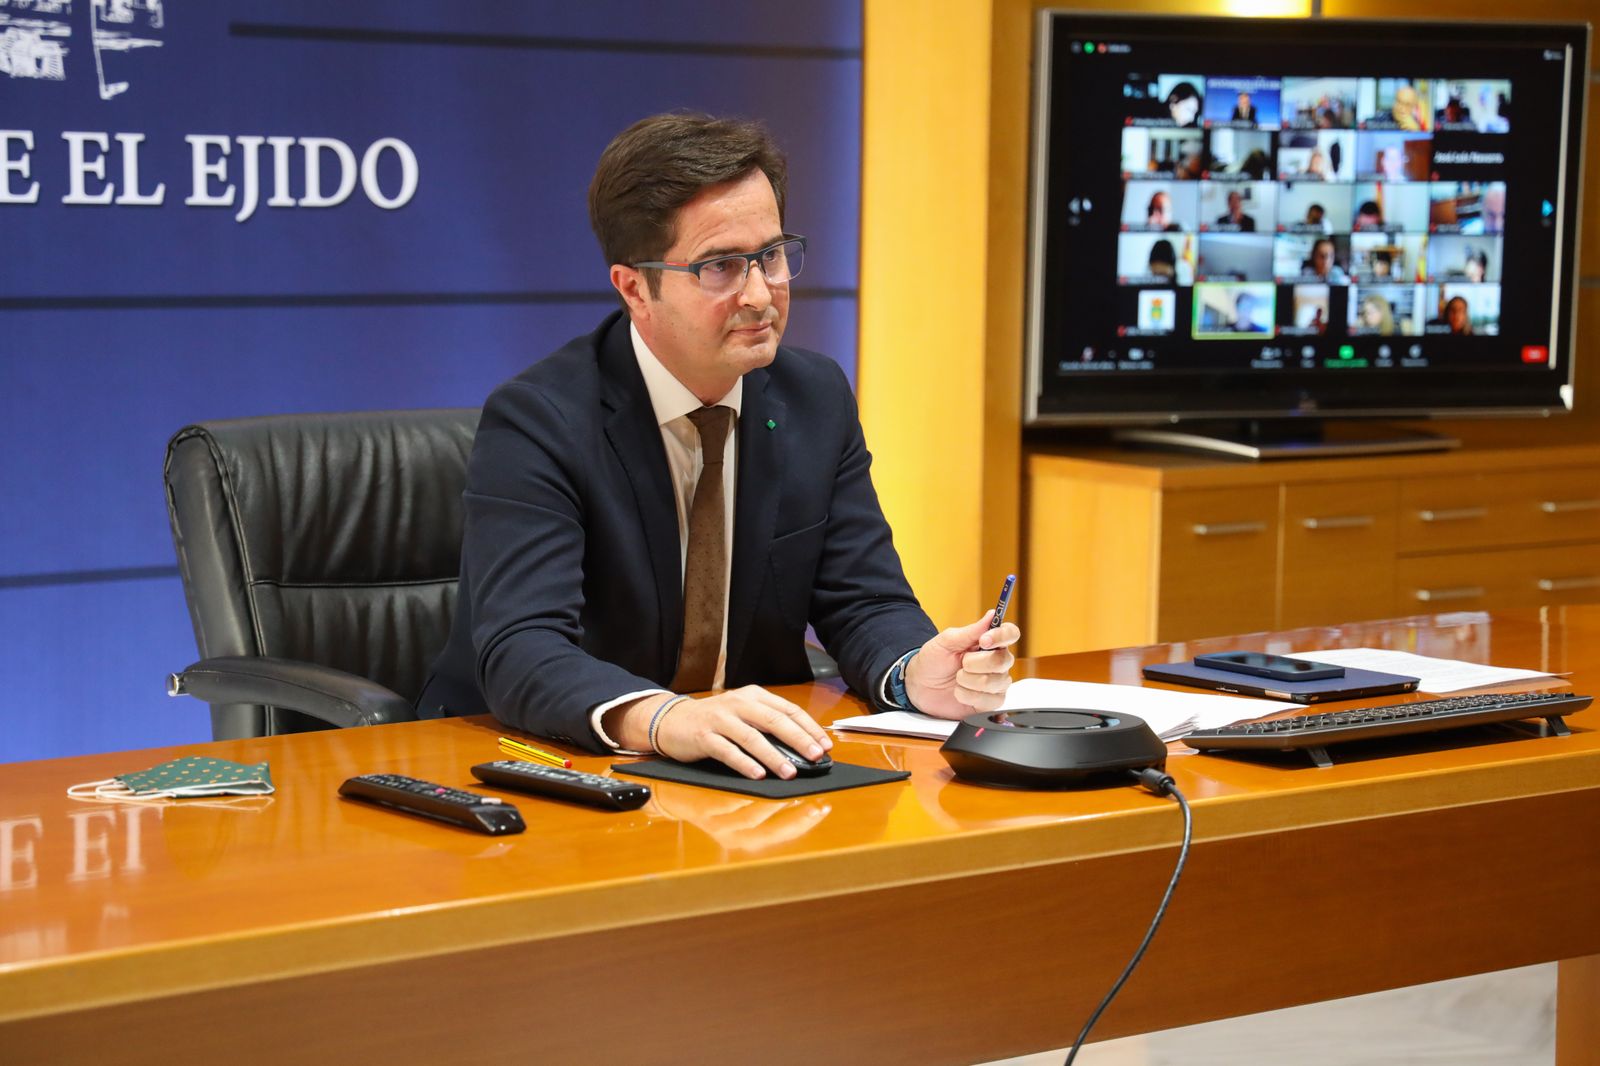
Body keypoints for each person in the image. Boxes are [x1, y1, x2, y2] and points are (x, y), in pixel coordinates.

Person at [417, 113, 1021, 780]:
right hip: (546, 764)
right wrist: (660, 717)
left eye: (770, 255)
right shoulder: (541, 420)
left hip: (750, 773)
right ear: (633, 288)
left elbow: (864, 601)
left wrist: (915, 672)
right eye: (721, 267)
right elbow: (522, 648)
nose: (761, 293)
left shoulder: (812, 397)